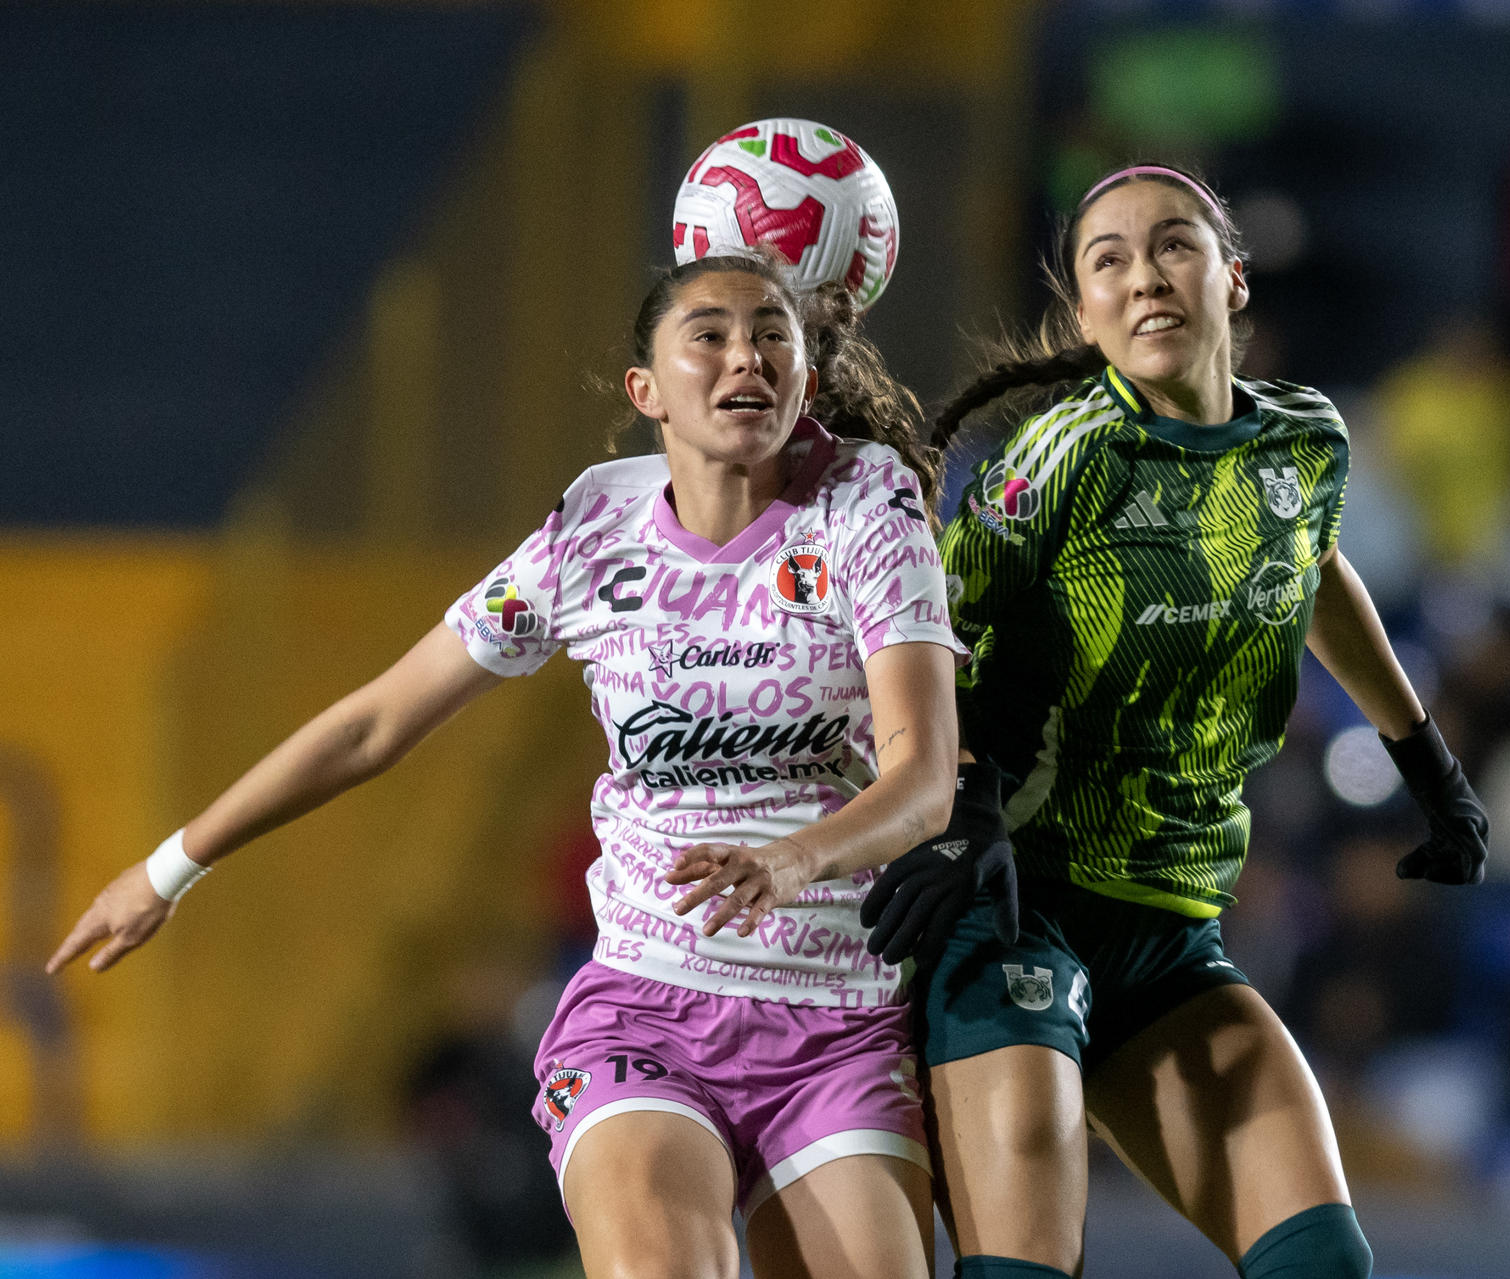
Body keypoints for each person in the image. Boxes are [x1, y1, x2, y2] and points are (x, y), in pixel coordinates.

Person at [47, 253, 985, 1279]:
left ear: (805, 380)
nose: (743, 355)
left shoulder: (868, 508)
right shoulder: (591, 534)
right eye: (707, 334)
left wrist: (795, 858)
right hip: (646, 1013)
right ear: (648, 390)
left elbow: (924, 778)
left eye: (772, 333)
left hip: (838, 1022)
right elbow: (374, 723)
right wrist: (169, 866)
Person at [873, 166, 1490, 1279]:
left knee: (1325, 1268)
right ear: (1085, 313)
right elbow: (926, 650)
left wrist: (1426, 761)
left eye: (1172, 246)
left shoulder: (1306, 442)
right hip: (1015, 911)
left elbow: (1313, 568)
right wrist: (961, 813)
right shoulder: (1057, 463)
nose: (1144, 275)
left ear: (1231, 279)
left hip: (1171, 933)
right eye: (1107, 259)